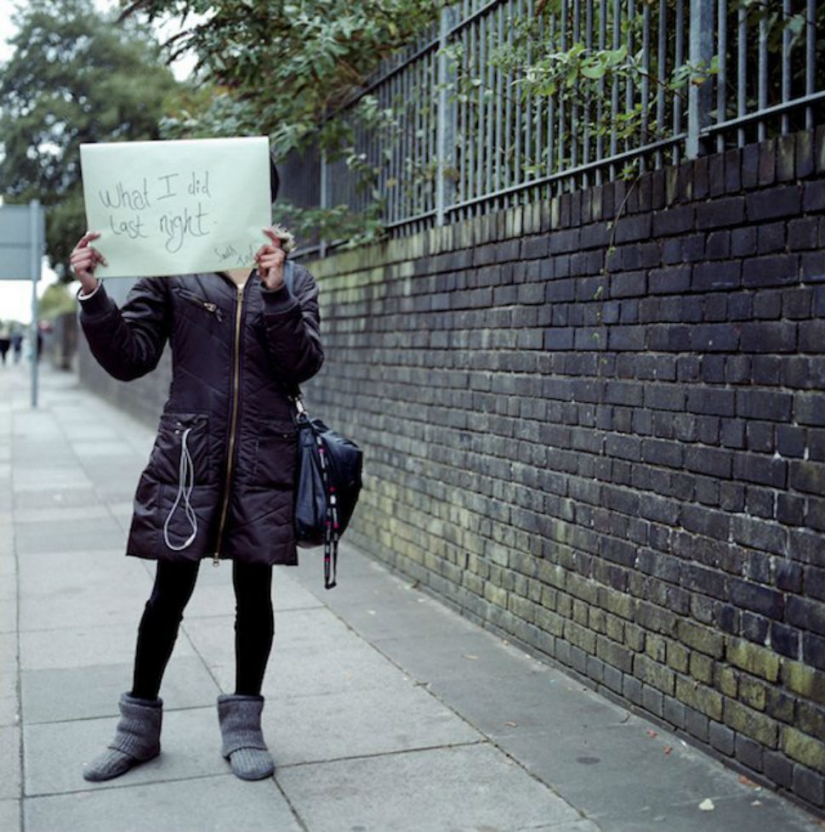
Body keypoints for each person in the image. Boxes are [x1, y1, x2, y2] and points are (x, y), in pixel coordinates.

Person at [70, 169, 323, 783]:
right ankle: (137, 729)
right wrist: (94, 295)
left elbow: (304, 362)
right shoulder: (174, 272)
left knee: (254, 596)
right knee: (167, 593)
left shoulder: (292, 278)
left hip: (264, 455)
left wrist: (275, 292)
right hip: (189, 456)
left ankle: (243, 728)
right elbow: (130, 358)